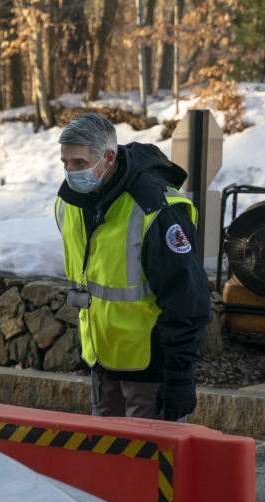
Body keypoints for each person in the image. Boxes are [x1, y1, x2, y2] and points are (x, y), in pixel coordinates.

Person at [54, 113, 211, 421]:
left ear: (108, 157)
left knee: (151, 463)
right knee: (107, 460)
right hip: (102, 363)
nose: (71, 172)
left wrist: (179, 378)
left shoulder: (155, 209)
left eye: (80, 163)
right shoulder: (69, 202)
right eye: (65, 163)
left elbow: (188, 300)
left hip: (149, 369)